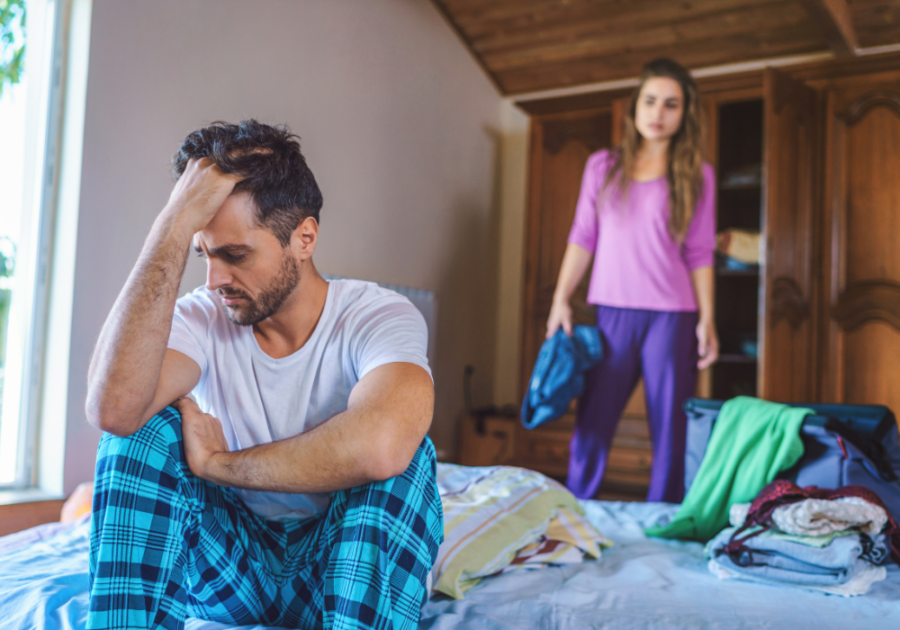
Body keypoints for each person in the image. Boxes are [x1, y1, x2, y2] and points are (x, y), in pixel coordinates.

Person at [84, 120, 443, 630]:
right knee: (140, 434)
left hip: (336, 567)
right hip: (233, 566)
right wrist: (171, 226)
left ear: (304, 238)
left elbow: (382, 445)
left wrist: (219, 464)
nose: (214, 281)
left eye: (235, 255)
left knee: (408, 457)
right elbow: (114, 412)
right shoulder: (200, 317)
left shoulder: (379, 315)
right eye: (203, 254)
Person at [545, 58, 719, 504]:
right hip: (612, 314)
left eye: (671, 104)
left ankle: (664, 518)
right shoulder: (602, 166)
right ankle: (575, 506)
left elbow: (700, 253)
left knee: (670, 429)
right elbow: (582, 237)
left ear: (685, 114)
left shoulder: (699, 175)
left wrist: (708, 319)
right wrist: (561, 299)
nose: (658, 112)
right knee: (593, 422)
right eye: (650, 101)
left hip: (674, 317)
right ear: (635, 107)